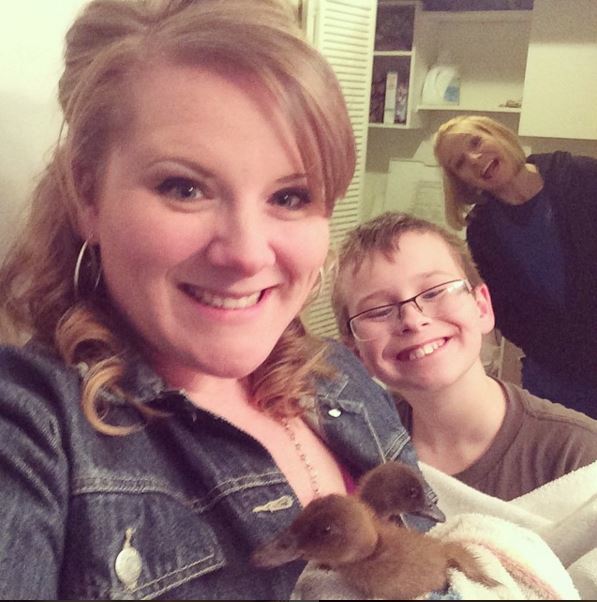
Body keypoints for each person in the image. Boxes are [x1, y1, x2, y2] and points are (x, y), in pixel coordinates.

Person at [0, 1, 441, 599]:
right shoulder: (31, 436)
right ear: (88, 194)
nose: (247, 255)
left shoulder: (343, 381)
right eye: (185, 188)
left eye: (290, 196)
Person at [331, 211, 597, 501]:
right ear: (354, 351)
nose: (413, 320)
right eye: (379, 311)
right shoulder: (357, 450)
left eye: (434, 293)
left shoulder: (579, 455)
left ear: (482, 308)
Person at [433, 115, 597, 419]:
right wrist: (560, 354)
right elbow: (507, 313)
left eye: (476, 142)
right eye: (460, 163)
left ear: (498, 134)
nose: (474, 159)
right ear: (462, 181)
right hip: (556, 378)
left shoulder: (581, 176)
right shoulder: (482, 231)